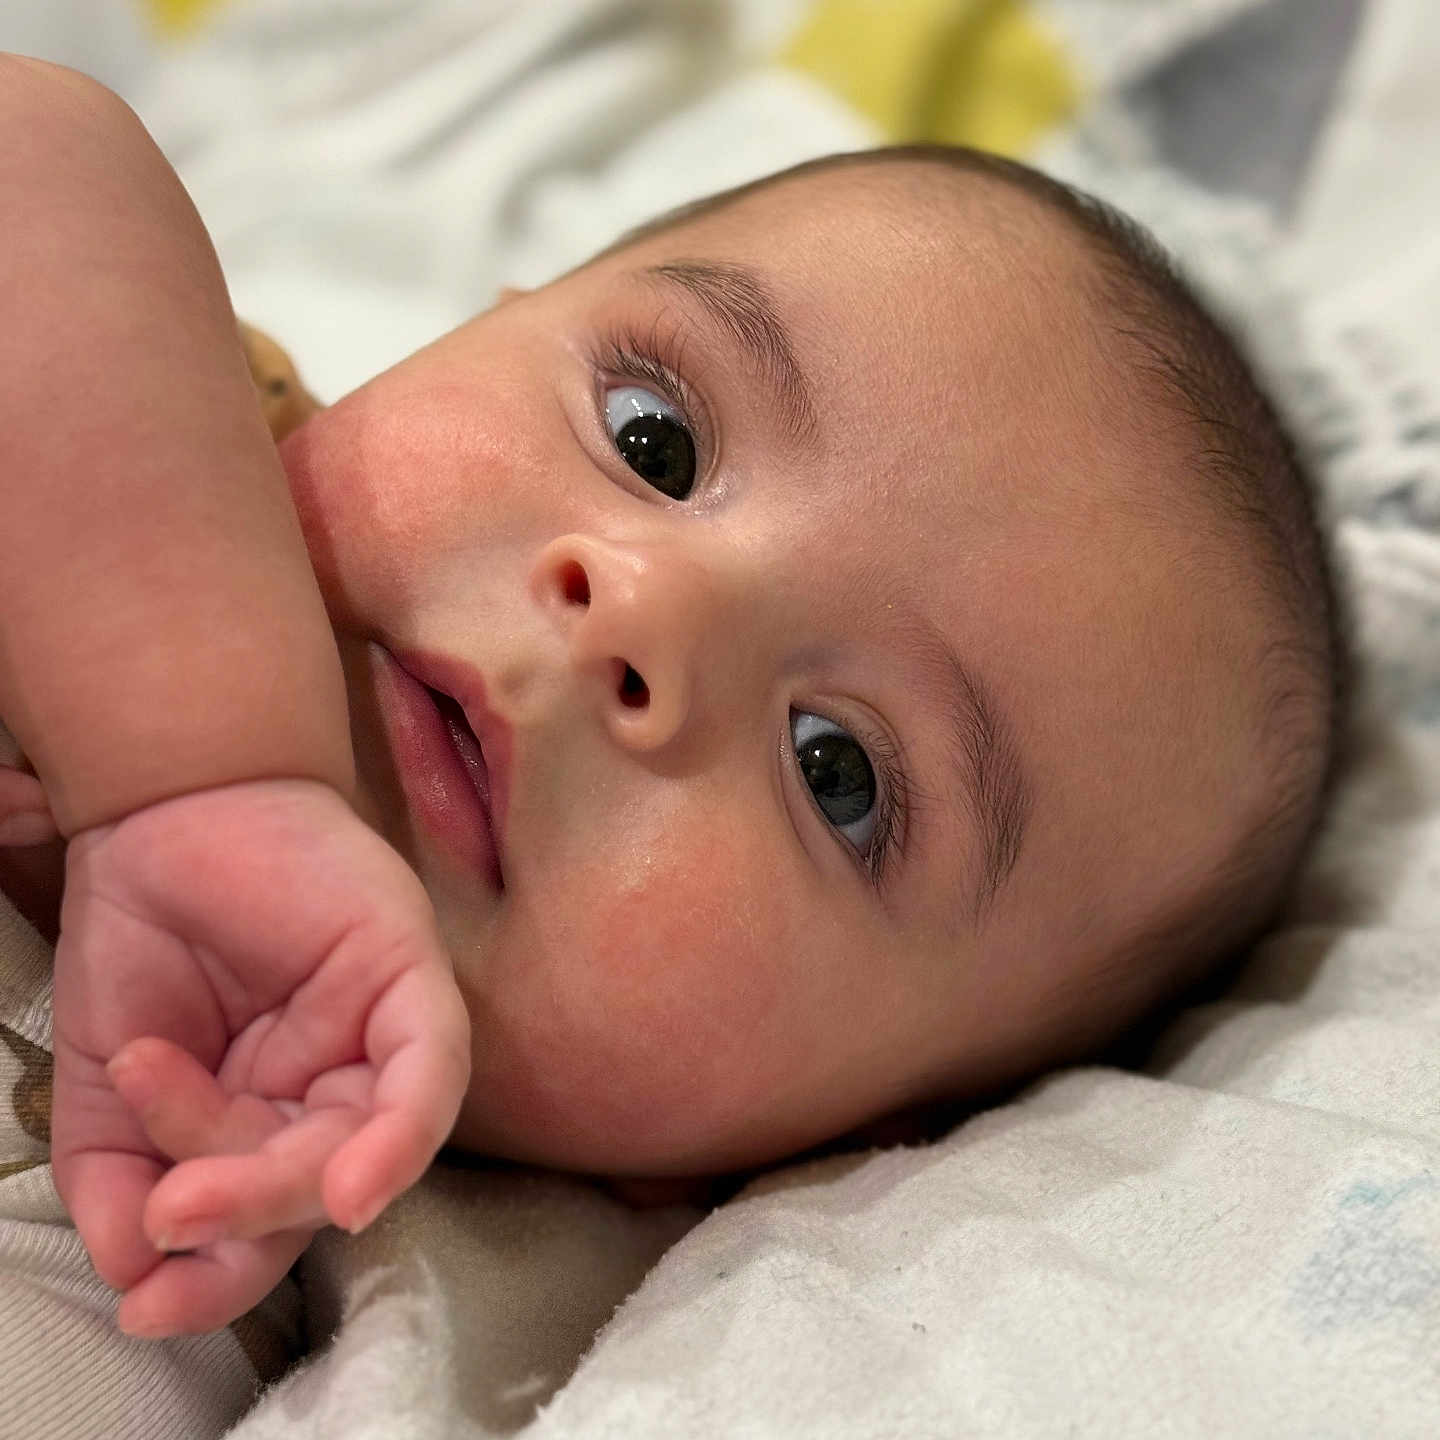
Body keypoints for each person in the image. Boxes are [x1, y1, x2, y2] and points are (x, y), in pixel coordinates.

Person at [1, 50, 1346, 1365]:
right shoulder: (144, 405)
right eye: (656, 437)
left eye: (839, 773)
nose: (646, 606)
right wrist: (197, 764)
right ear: (485, 321)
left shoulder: (375, 1302)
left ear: (834, 1143)